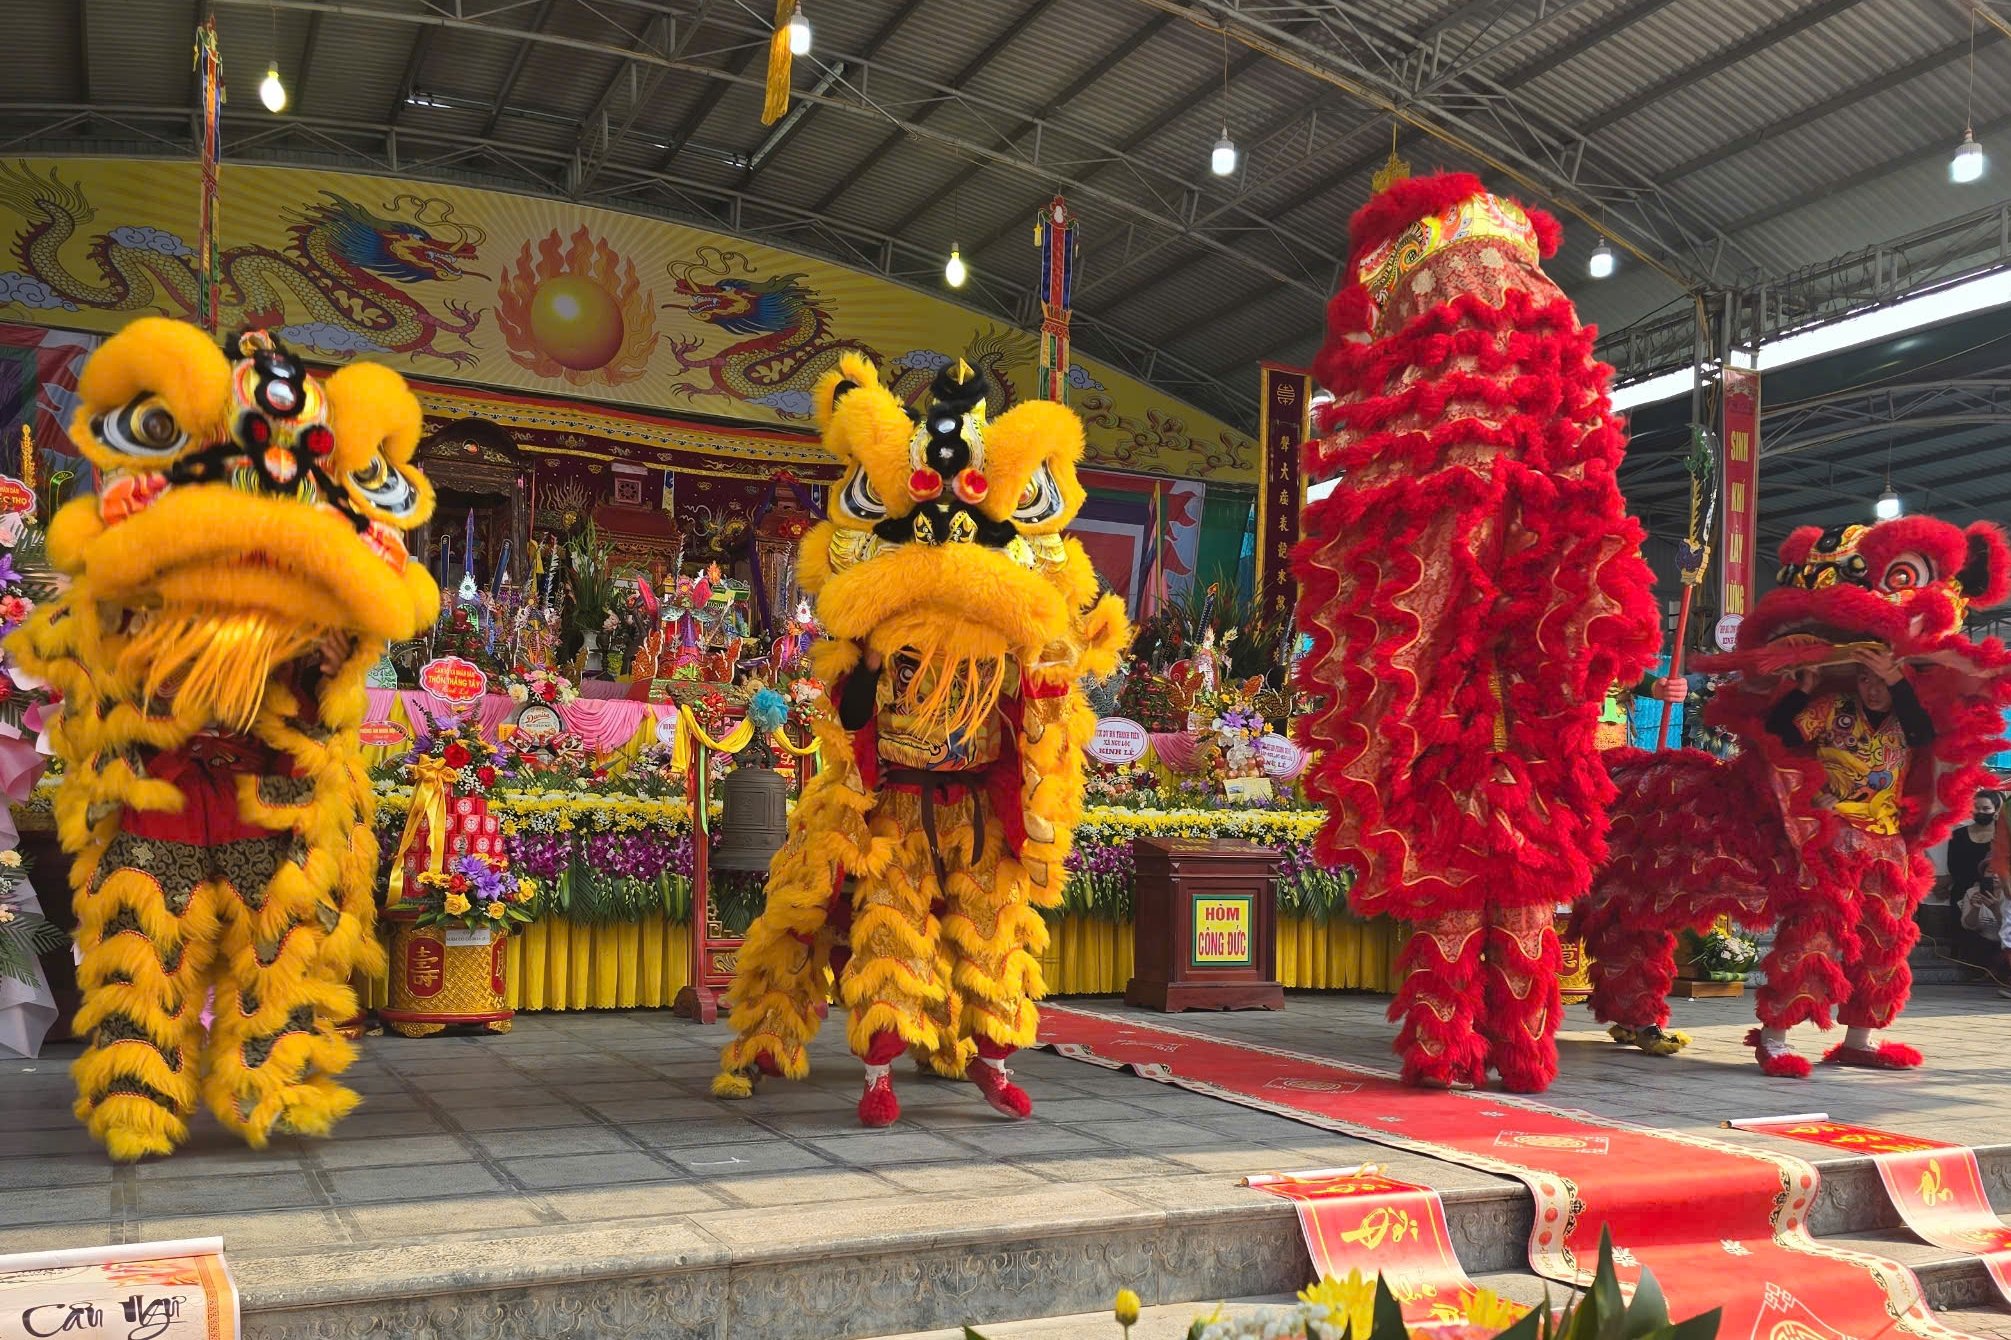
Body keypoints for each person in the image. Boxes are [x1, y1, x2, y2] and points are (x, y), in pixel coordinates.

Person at [1753, 644, 1932, 1071]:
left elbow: (1925, 735)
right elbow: (1779, 736)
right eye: (1864, 678)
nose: (1871, 689)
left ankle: (1859, 1040)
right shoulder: (1833, 707)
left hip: (1888, 845)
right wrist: (1803, 690)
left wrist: (1894, 680)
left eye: (1880, 679)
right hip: (1833, 837)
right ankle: (1774, 1036)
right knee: (1813, 934)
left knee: (1883, 942)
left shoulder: (1909, 714)